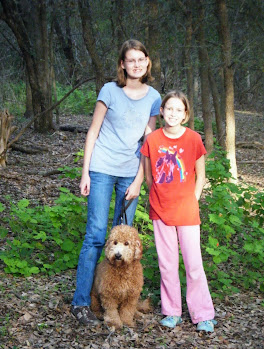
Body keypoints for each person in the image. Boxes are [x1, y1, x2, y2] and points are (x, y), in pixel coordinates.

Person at [71, 39, 161, 325]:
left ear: (147, 62)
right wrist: (85, 172)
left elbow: (149, 144)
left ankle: (123, 303)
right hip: (101, 168)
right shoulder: (109, 91)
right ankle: (82, 303)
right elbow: (93, 132)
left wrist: (139, 181)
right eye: (130, 59)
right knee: (97, 236)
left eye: (141, 59)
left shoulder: (154, 97)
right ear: (122, 64)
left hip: (130, 173)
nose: (136, 64)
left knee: (125, 242)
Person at [140, 90, 217, 332]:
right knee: (167, 264)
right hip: (161, 210)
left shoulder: (193, 138)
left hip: (187, 211)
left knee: (193, 264)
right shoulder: (152, 140)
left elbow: (201, 175)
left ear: (185, 115)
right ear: (161, 111)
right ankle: (172, 311)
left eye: (178, 110)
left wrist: (193, 200)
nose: (173, 113)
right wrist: (159, 199)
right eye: (169, 108)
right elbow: (148, 177)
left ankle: (202, 314)